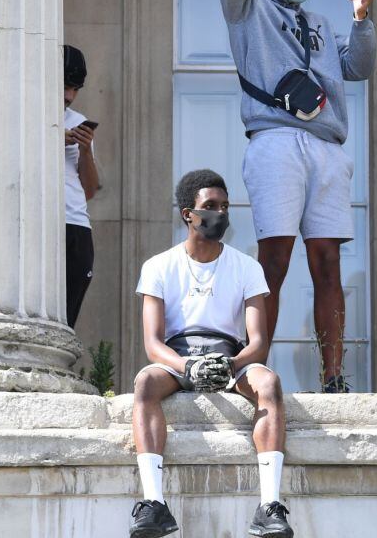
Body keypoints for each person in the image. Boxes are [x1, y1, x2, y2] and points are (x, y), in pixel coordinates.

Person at [218, 0, 377, 393]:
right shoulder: (250, 8)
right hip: (276, 142)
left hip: (328, 148)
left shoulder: (320, 24)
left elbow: (358, 67)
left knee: (328, 259)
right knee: (275, 258)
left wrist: (361, 18)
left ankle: (334, 375)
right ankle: (251, 364)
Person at [129, 169, 293, 538]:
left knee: (268, 381)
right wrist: (187, 365)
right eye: (210, 206)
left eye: (224, 206)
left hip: (229, 358)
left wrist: (231, 364)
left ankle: (270, 506)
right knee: (144, 382)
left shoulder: (247, 267)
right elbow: (153, 342)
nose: (219, 213)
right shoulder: (158, 266)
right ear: (188, 213)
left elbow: (259, 342)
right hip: (177, 358)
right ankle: (154, 504)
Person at [63, 44, 100, 327]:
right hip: (34, 225)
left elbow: (89, 190)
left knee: (67, 319)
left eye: (75, 89)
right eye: (65, 86)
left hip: (75, 224)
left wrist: (85, 150)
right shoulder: (23, 115)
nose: (69, 96)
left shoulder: (77, 122)